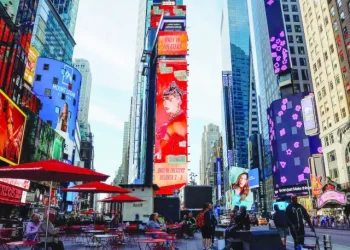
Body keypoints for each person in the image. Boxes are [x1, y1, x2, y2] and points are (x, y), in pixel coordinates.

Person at [154, 82, 187, 162]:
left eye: (170, 100)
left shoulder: (181, 119)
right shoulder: (171, 120)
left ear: (178, 100)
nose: (165, 103)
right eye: (164, 100)